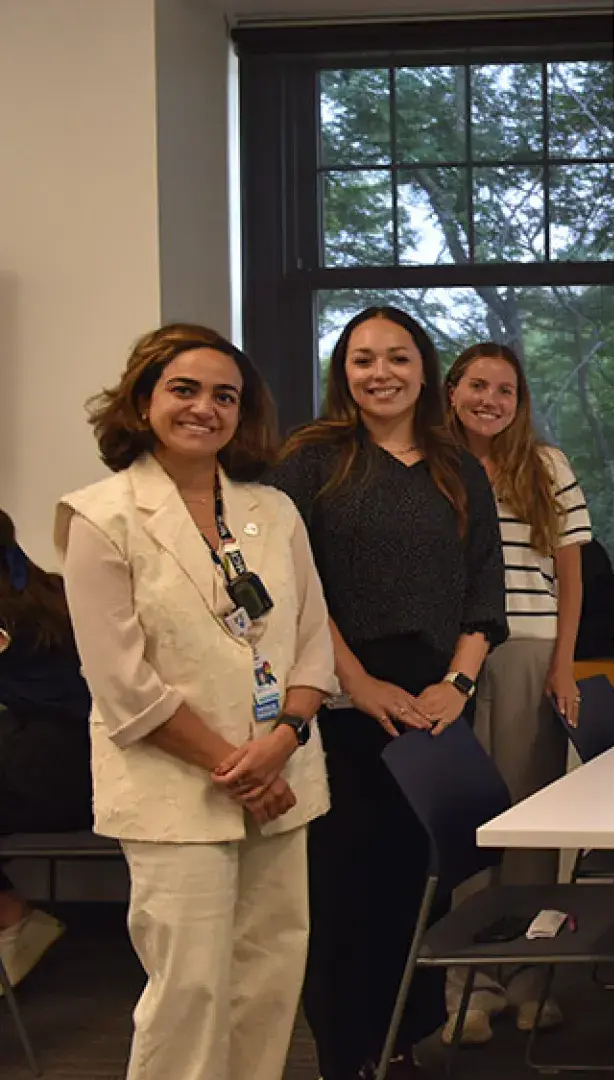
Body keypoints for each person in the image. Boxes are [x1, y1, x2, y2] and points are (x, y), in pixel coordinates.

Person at [56, 324, 333, 1080]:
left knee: (269, 977)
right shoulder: (101, 516)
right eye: (184, 390)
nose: (204, 408)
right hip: (177, 790)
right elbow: (123, 684)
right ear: (144, 400)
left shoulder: (273, 511)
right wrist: (241, 768)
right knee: (190, 988)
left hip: (282, 776)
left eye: (225, 396)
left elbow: (312, 641)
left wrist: (282, 741)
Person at [271, 307, 507, 1080]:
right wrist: (357, 681)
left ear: (423, 369)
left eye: (398, 357)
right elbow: (297, 589)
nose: (382, 373)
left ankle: (403, 1046)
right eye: (364, 358)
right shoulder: (311, 460)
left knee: (418, 887)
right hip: (341, 706)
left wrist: (458, 685)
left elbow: (485, 588)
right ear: (343, 371)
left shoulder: (456, 465)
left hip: (434, 708)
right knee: (345, 890)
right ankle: (347, 1058)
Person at [441, 341, 592, 1041]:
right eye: (477, 385)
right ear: (452, 391)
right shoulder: (430, 467)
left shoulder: (546, 466)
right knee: (467, 825)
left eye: (505, 390)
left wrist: (564, 664)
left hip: (531, 653)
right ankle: (468, 989)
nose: (490, 401)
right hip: (451, 662)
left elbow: (572, 578)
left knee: (530, 824)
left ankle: (533, 977)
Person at [0, 508, 93, 988]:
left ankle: (12, 918)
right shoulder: (54, 592)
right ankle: (14, 920)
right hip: (95, 776)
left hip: (44, 777)